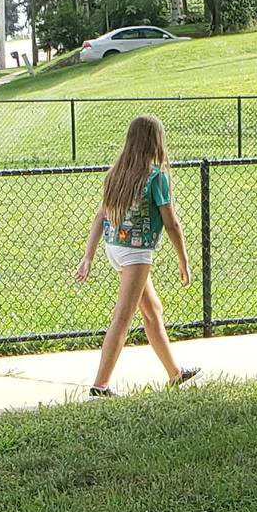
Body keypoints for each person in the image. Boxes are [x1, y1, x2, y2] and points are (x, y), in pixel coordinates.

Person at [74, 114, 200, 396]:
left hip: (114, 248)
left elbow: (100, 217)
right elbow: (172, 223)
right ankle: (100, 384)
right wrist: (184, 260)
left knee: (153, 311)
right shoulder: (156, 176)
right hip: (136, 253)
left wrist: (89, 256)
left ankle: (175, 374)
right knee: (123, 318)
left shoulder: (117, 173)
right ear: (156, 141)